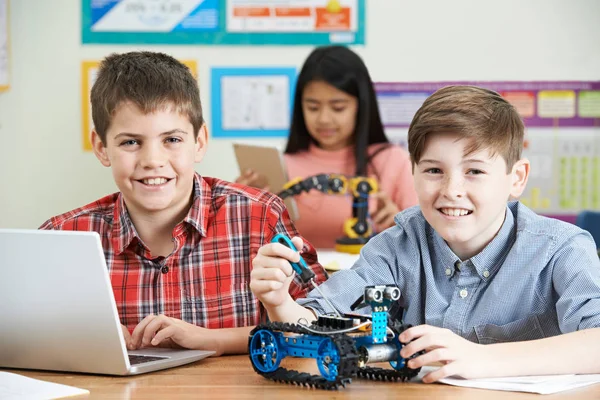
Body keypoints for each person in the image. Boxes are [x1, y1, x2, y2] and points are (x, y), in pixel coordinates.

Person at [250, 85, 600, 382]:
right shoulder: (396, 246)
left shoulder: (561, 249)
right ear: (413, 172)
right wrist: (280, 301)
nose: (452, 190)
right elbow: (319, 326)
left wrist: (480, 359)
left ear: (516, 178)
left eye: (475, 170)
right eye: (434, 170)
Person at [39, 51, 327, 356]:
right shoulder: (61, 237)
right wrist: (78, 337)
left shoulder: (259, 216)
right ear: (102, 148)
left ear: (199, 142)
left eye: (172, 140)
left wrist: (211, 340)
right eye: (130, 142)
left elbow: (325, 325)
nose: (152, 161)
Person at [236, 46, 418, 248]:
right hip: (294, 277)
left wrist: (400, 227)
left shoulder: (393, 161)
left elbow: (426, 246)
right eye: (312, 107)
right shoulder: (279, 166)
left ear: (361, 105)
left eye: (338, 107)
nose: (324, 119)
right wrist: (243, 206)